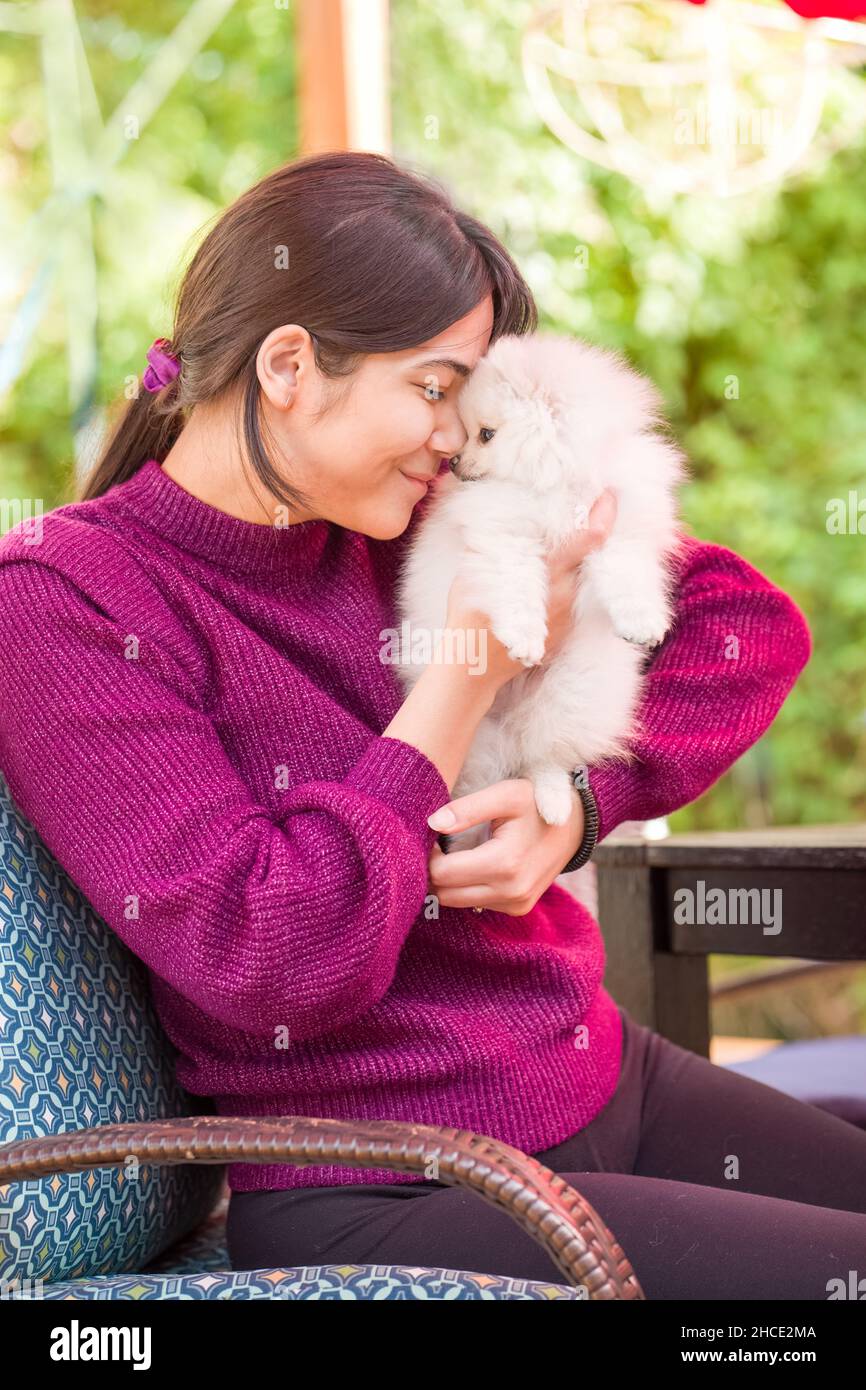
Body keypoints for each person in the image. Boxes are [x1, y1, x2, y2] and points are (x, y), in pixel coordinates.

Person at [0, 151, 863, 1301]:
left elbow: (741, 626)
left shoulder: (404, 512)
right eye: (431, 387)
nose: (455, 438)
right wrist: (461, 680)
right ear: (290, 365)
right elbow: (271, 952)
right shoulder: (65, 598)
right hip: (393, 1179)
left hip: (603, 1079)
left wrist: (575, 809)